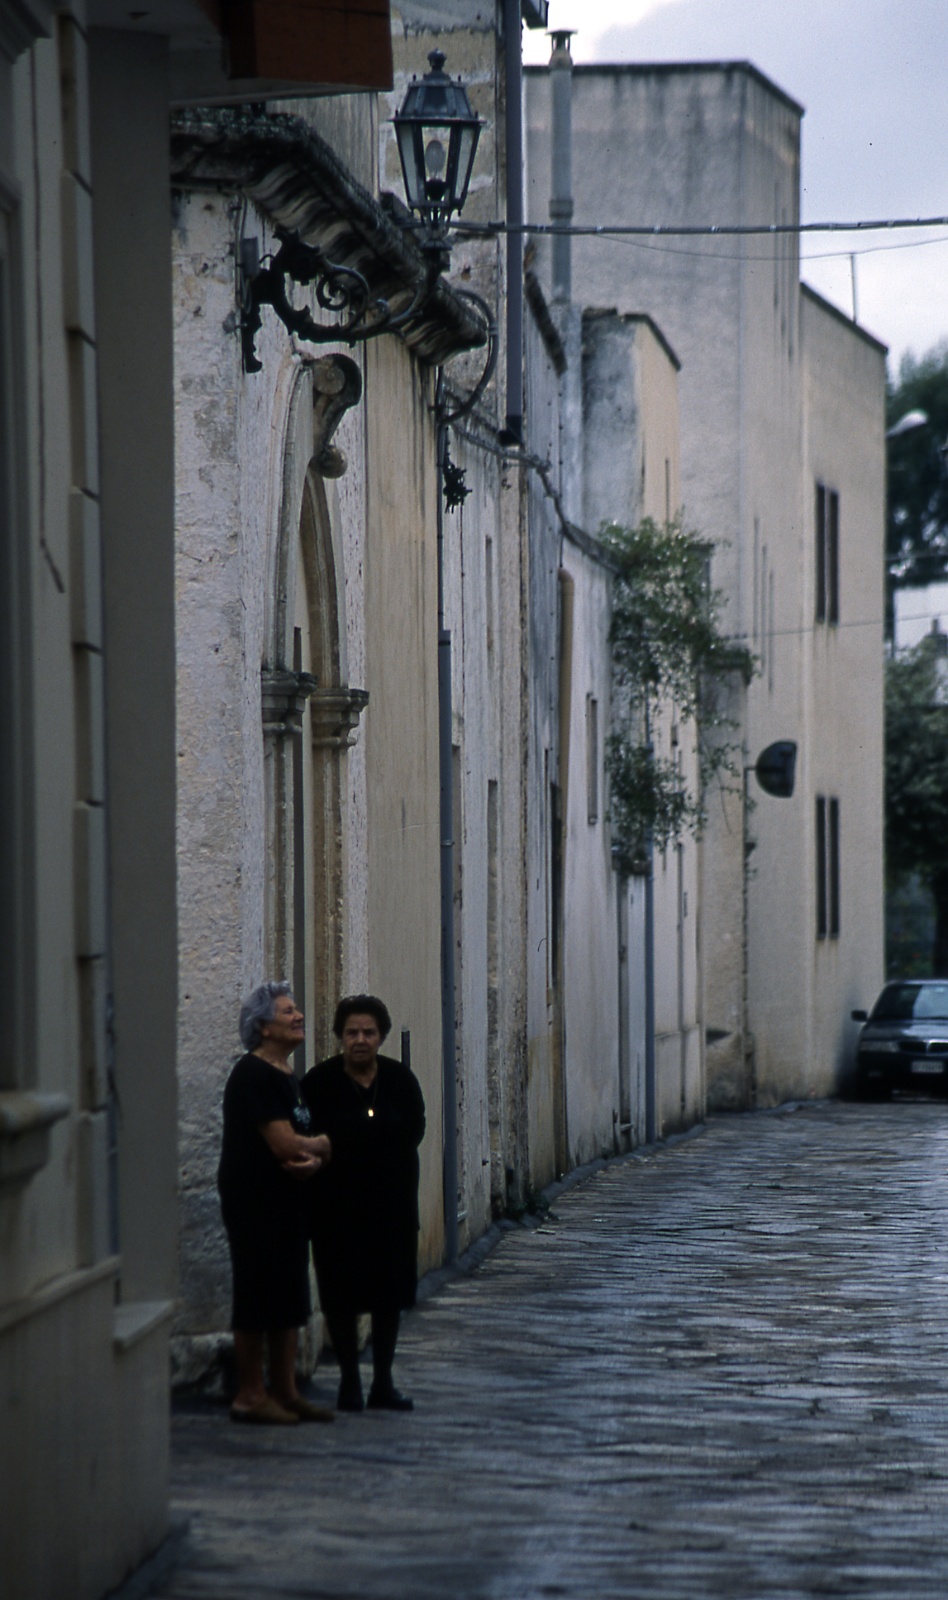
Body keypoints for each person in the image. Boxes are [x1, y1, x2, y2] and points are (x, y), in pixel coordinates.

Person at [218, 981, 335, 1425]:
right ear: (263, 1027)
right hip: (256, 1203)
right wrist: (321, 1144)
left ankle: (285, 1392)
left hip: (287, 1201)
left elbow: (303, 1146)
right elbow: (287, 1144)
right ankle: (250, 1395)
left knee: (288, 1292)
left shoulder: (287, 1076)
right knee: (257, 1292)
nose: (298, 1016)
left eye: (296, 1009)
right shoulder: (254, 1074)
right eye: (287, 1012)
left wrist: (316, 1154)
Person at [301, 994, 426, 1412]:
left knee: (388, 1297)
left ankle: (383, 1383)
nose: (360, 1040)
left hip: (391, 1211)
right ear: (339, 1036)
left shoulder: (400, 1081)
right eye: (352, 1032)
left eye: (368, 1032)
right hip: (337, 1212)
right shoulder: (318, 1084)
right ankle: (350, 1383)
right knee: (341, 1296)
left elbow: (415, 1130)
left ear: (382, 1036)